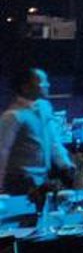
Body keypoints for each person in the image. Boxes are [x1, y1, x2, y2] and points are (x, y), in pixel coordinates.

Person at [0, 63, 74, 194]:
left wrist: (64, 163)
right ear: (25, 87)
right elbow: (2, 151)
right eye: (42, 82)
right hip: (20, 181)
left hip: (42, 179)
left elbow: (53, 140)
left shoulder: (44, 107)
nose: (47, 85)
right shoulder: (13, 116)